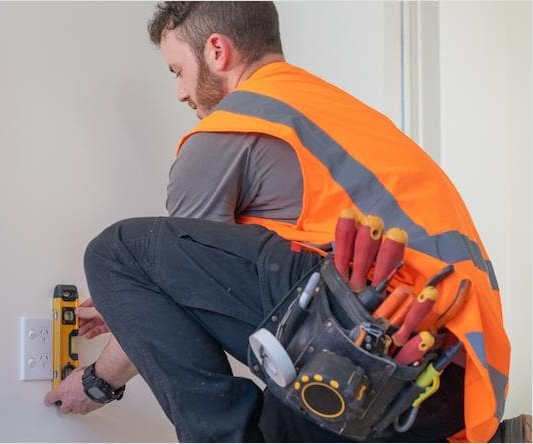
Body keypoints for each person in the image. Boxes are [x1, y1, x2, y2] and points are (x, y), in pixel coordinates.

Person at [44, 2, 511, 442]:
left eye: (178, 71)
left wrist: (97, 380)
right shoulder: (330, 109)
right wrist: (131, 304)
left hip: (375, 355)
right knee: (273, 427)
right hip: (448, 386)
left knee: (118, 252)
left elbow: (176, 280)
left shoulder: (225, 132)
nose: (182, 92)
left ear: (217, 51)